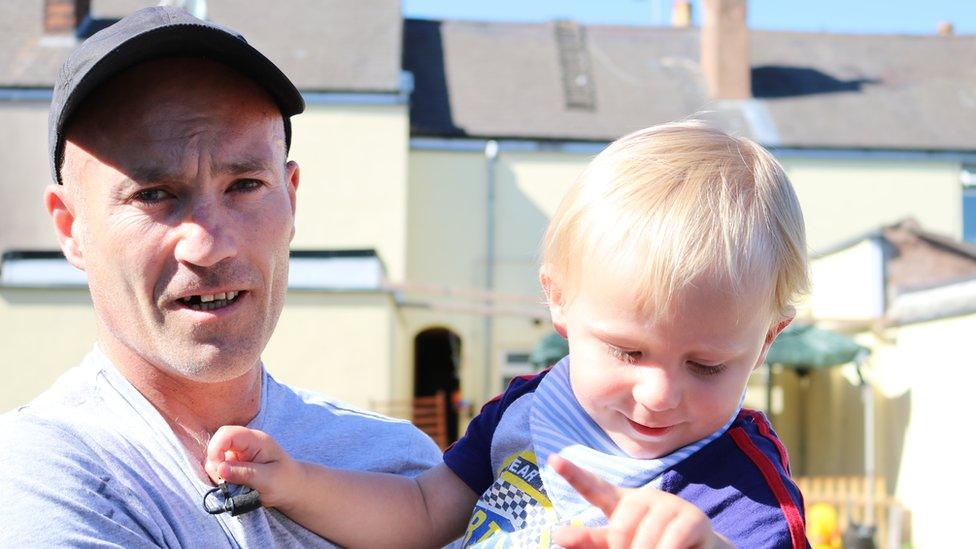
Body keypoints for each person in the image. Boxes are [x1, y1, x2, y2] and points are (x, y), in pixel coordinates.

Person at [205, 122, 811, 548]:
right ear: (559, 299)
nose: (658, 394)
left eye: (706, 365)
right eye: (628, 351)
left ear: (766, 341)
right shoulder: (527, 410)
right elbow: (421, 513)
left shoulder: (740, 491)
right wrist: (296, 482)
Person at [0, 7, 441, 547]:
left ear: (291, 197)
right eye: (154, 194)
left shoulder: (400, 470)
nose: (209, 246)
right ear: (71, 228)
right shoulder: (44, 476)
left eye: (246, 185)